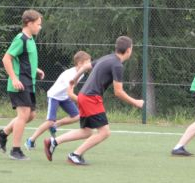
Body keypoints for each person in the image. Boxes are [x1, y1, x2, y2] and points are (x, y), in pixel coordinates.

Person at [43, 36, 143, 166]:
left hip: (84, 96)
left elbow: (85, 67)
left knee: (87, 131)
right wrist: (135, 102)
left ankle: (53, 142)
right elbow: (118, 91)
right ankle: (75, 155)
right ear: (129, 50)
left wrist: (74, 79)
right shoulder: (117, 65)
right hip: (91, 99)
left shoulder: (107, 58)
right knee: (104, 132)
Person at [0, 9, 45, 160]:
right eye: (38, 24)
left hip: (29, 83)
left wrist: (36, 69)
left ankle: (3, 134)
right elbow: (6, 59)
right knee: (23, 115)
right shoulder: (20, 39)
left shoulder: (30, 39)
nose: (40, 27)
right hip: (20, 84)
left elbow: (24, 59)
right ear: (29, 23)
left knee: (31, 115)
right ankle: (15, 150)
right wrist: (14, 79)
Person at [25, 50, 91, 150]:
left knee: (77, 116)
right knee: (50, 121)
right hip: (54, 96)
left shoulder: (81, 74)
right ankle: (31, 140)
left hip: (64, 97)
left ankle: (55, 125)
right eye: (88, 62)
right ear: (80, 63)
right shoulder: (70, 75)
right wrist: (83, 102)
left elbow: (69, 92)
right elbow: (70, 92)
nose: (90, 64)